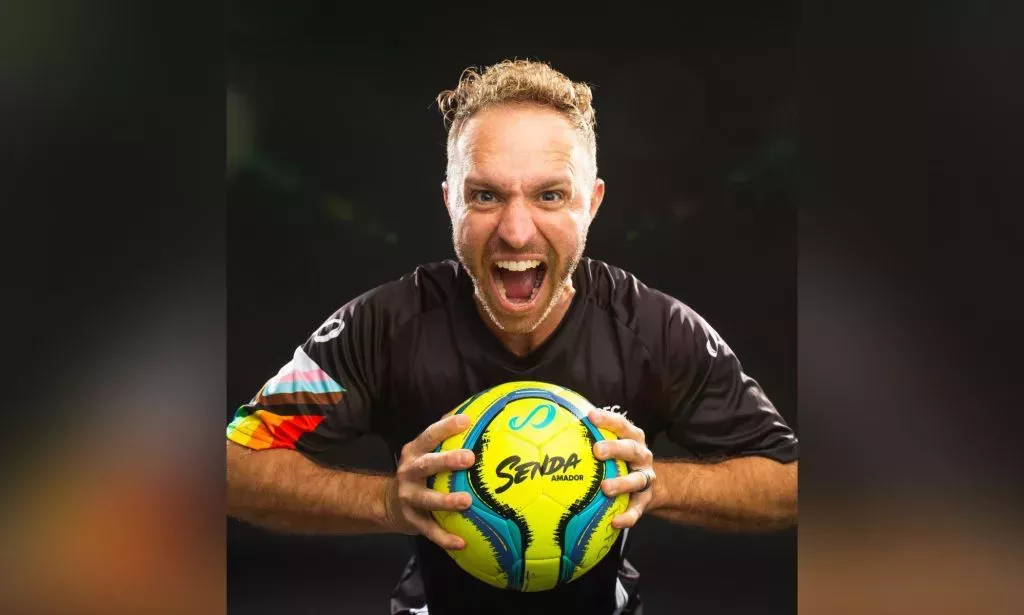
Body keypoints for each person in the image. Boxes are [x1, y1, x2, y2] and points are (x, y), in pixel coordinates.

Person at [226, 59, 798, 615]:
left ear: (591, 204)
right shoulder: (379, 329)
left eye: (550, 195)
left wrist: (657, 485)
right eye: (485, 196)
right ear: (450, 200)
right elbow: (233, 462)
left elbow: (791, 480)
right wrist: (382, 502)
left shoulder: (656, 331)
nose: (516, 232)